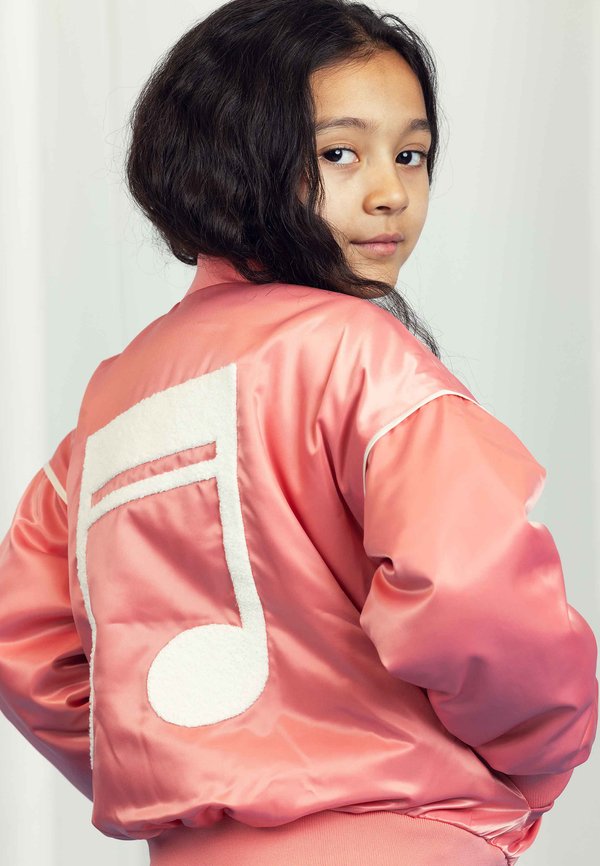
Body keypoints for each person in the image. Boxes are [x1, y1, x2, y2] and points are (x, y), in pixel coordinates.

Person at [0, 1, 597, 864]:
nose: (391, 191)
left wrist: (180, 767)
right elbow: (473, 586)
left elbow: (25, 638)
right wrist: (538, 759)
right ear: (232, 158)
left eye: (411, 154)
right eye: (339, 154)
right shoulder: (360, 358)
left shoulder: (112, 404)